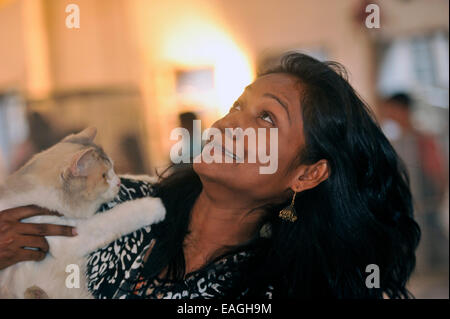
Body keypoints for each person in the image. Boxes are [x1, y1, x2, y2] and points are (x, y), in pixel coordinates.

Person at [1, 53, 421, 298]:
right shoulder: (115, 200)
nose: (230, 123)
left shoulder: (266, 291)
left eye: (267, 118)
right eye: (238, 105)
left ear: (307, 174)